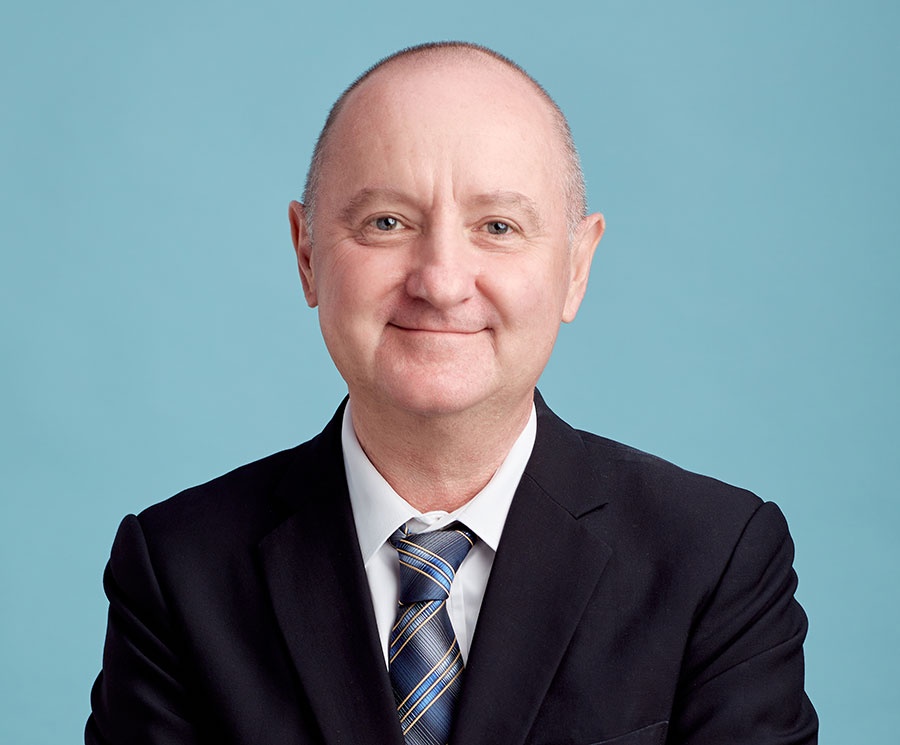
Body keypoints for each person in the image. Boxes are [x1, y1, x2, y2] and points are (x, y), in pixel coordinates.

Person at [86, 42, 818, 745]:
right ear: (306, 253)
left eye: (498, 226)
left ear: (577, 266)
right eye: (386, 223)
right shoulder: (178, 571)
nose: (439, 281)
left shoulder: (715, 562)